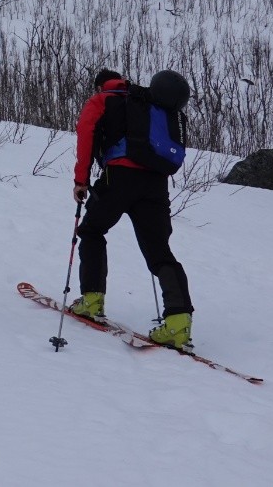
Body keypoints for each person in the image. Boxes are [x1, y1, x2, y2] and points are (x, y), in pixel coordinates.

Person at [69, 68, 194, 348]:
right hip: (156, 184)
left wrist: (81, 180)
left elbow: (86, 134)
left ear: (102, 83)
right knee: (160, 252)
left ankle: (91, 301)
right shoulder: (151, 104)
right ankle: (178, 323)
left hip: (119, 178)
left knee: (91, 231)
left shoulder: (104, 98)